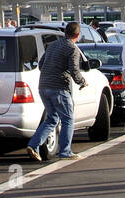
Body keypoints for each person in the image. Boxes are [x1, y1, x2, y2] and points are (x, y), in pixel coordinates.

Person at [26, 21, 87, 161]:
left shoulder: (52, 45)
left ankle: (33, 145)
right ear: (77, 35)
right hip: (58, 87)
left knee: (52, 118)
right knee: (68, 119)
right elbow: (74, 70)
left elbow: (41, 65)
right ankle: (65, 152)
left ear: (65, 32)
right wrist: (82, 82)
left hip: (43, 86)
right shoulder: (73, 49)